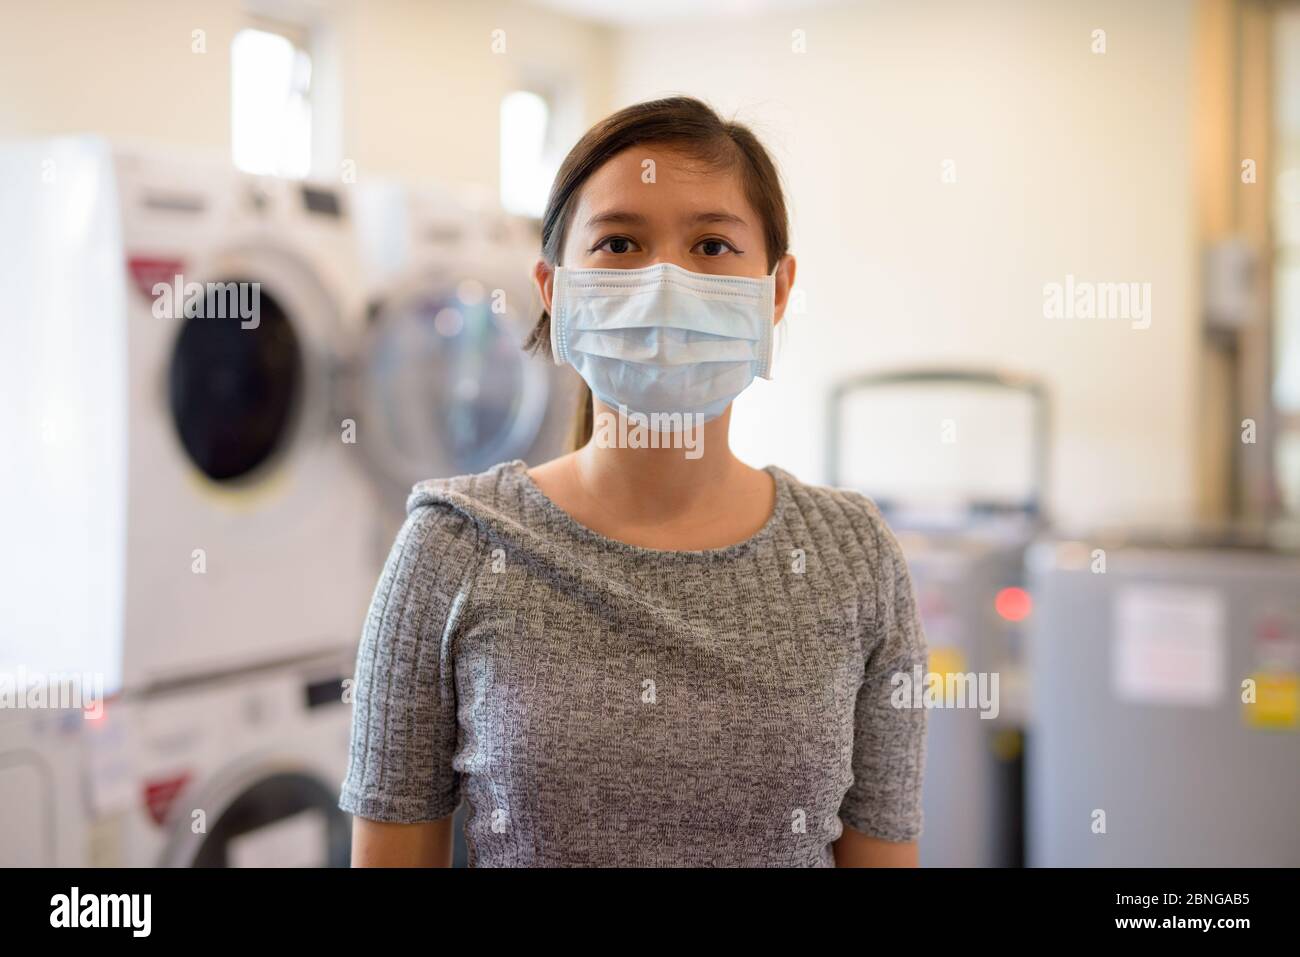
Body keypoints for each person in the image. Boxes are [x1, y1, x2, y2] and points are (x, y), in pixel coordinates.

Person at [341, 96, 928, 867]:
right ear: (554, 291)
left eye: (712, 245)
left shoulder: (855, 558)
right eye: (619, 243)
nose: (663, 285)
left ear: (776, 292)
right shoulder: (450, 547)